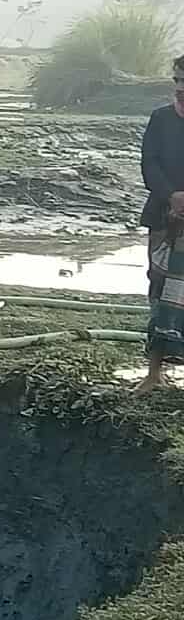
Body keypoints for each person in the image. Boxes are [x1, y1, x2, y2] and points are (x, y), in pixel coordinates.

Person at [138, 55, 184, 393]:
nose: (181, 86)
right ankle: (154, 373)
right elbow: (149, 164)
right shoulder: (161, 118)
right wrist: (172, 195)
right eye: (178, 79)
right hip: (163, 216)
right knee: (159, 285)